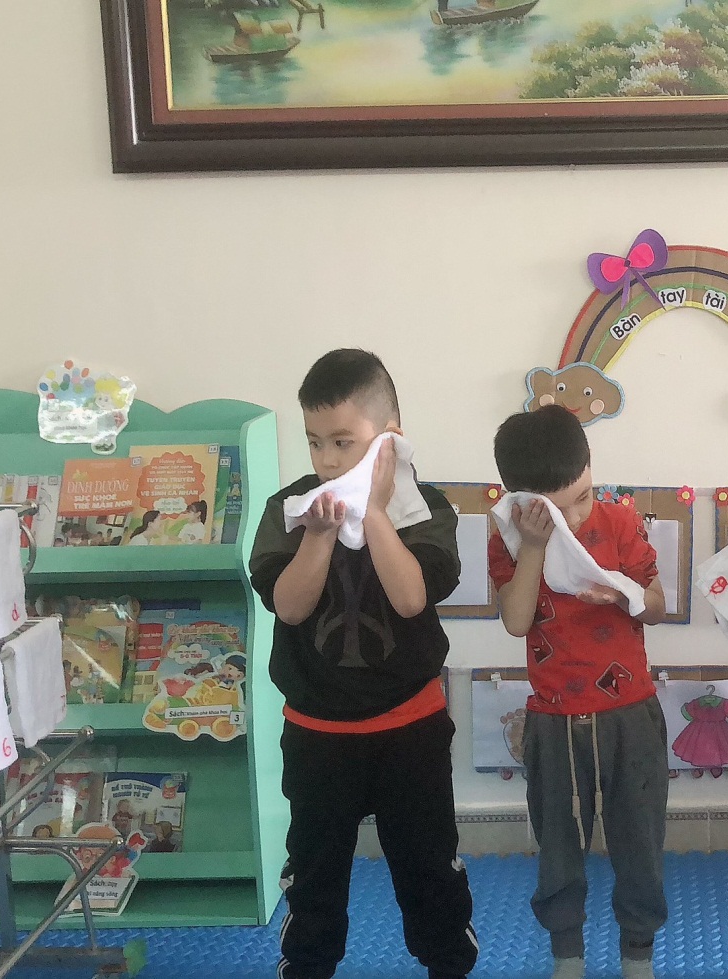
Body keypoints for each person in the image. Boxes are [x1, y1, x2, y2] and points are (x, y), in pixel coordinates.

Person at [249, 348, 476, 979]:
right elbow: (289, 607)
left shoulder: (424, 508)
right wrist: (320, 535)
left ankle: (448, 964)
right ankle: (308, 968)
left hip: (410, 728)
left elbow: (410, 598)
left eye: (344, 442)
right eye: (314, 442)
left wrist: (373, 510)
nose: (326, 461)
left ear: (389, 438)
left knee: (429, 870)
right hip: (318, 734)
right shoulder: (291, 510)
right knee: (315, 876)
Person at [488, 405, 668, 979]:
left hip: (630, 714)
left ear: (592, 467)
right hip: (555, 720)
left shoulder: (620, 522)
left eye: (583, 497)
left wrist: (622, 594)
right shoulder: (512, 537)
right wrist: (534, 546)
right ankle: (567, 957)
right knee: (560, 848)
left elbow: (658, 605)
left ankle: (638, 955)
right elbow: (516, 620)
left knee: (640, 844)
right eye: (554, 509)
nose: (572, 517)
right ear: (521, 500)